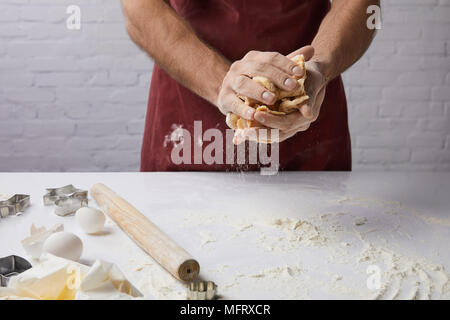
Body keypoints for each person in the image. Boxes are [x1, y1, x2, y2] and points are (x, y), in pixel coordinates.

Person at [122, 0, 379, 171]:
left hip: (306, 108)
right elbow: (140, 7)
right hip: (190, 120)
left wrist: (317, 67)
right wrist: (224, 84)